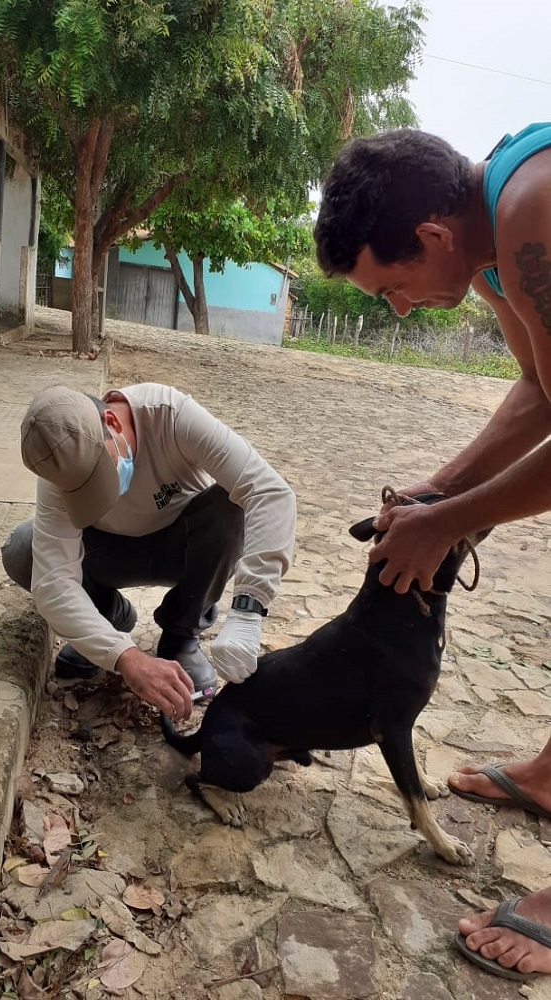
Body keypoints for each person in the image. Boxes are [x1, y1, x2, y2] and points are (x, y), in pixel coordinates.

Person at [314, 123, 551, 981]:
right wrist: (436, 494)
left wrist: (448, 524)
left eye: (393, 287)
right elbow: (540, 389)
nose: (400, 308)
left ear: (431, 238)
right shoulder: (486, 249)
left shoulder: (532, 204)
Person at [2, 381, 296, 726]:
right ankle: (107, 617)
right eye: (84, 490)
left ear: (112, 422)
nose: (103, 495)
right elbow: (54, 583)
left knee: (231, 508)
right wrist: (124, 656)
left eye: (100, 476)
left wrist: (249, 607)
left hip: (183, 547)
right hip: (107, 553)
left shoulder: (171, 416)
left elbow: (269, 491)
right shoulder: (59, 463)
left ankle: (182, 633)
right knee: (25, 551)